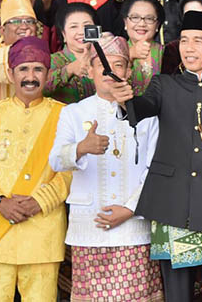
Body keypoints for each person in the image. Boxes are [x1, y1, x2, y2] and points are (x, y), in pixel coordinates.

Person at [110, 10, 202, 302]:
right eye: (185, 41)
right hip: (170, 203)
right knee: (176, 295)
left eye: (198, 41)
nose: (189, 48)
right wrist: (125, 100)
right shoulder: (165, 85)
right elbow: (141, 107)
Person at [48, 33, 164, 302]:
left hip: (133, 228)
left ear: (128, 71)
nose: (110, 72)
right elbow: (55, 160)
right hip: (89, 228)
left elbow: (154, 167)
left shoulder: (147, 114)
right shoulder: (73, 113)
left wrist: (131, 209)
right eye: (103, 65)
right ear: (90, 71)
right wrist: (81, 148)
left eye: (118, 65)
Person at [0, 37, 71, 301]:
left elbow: (69, 171)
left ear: (47, 74)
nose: (30, 76)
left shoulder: (65, 115)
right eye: (23, 69)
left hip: (43, 233)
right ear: (10, 74)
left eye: (37, 69)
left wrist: (39, 202)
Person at [44, 3, 97, 104]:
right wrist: (69, 70)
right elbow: (39, 89)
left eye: (86, 25)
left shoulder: (106, 58)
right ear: (64, 34)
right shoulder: (52, 61)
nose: (81, 32)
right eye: (73, 27)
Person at [121, 0, 165, 95]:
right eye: (135, 17)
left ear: (157, 25)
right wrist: (129, 55)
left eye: (149, 19)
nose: (141, 24)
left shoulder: (167, 53)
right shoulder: (112, 53)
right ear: (125, 22)